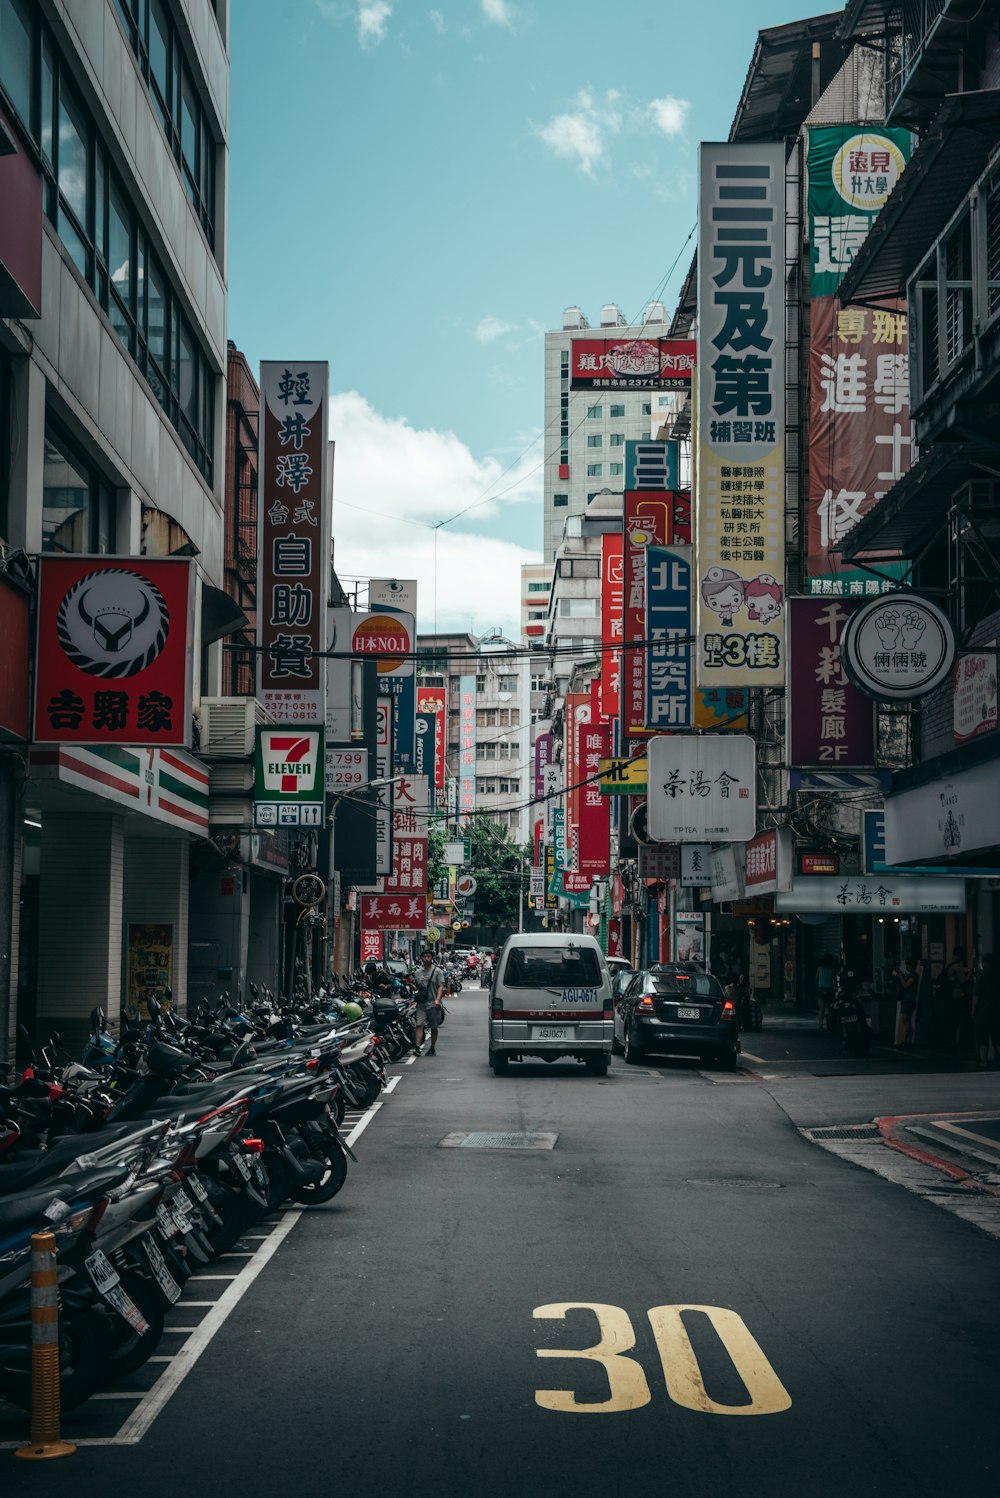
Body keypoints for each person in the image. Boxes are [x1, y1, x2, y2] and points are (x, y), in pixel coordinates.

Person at [412, 949, 445, 1057]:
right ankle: (417, 1047)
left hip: (433, 1004)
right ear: (421, 958)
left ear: (432, 958)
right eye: (424, 956)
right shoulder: (417, 972)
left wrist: (437, 1000)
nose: (426, 958)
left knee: (433, 1026)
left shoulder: (437, 971)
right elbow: (417, 987)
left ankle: (432, 1047)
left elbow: (440, 986)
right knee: (419, 1024)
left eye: (428, 956)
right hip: (421, 1004)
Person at [972, 953, 1000, 1069]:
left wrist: (973, 1011)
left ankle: (984, 1061)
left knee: (983, 1039)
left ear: (985, 963)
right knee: (998, 1040)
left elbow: (976, 996)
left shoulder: (982, 976)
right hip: (998, 1013)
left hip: (982, 1013)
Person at [893, 956, 917, 1047]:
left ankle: (907, 1039)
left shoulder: (913, 975)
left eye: (907, 964)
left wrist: (901, 977)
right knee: (906, 1020)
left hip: (909, 1000)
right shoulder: (911, 974)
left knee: (905, 1019)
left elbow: (906, 985)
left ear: (911, 965)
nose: (906, 966)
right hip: (907, 999)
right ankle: (908, 1039)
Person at [815, 953, 836, 1031]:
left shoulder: (819, 968)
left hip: (821, 990)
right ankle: (829, 1027)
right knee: (830, 1010)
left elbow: (816, 979)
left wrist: (818, 987)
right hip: (830, 990)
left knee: (821, 1010)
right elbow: (834, 980)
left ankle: (820, 1026)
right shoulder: (832, 969)